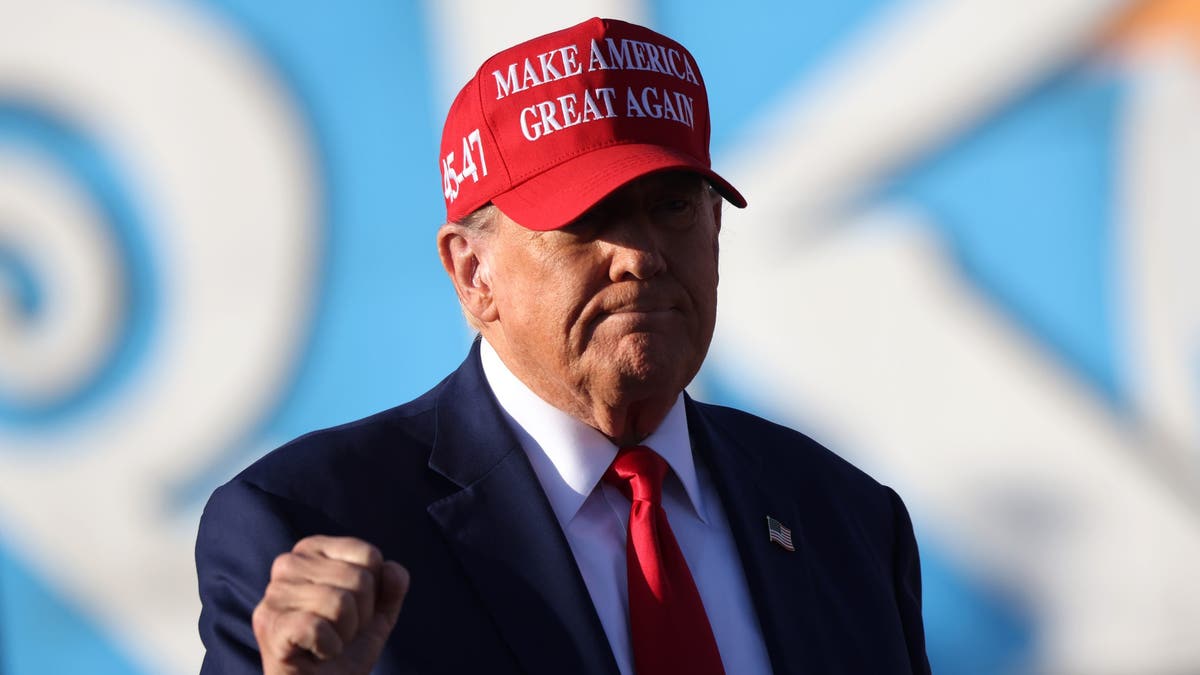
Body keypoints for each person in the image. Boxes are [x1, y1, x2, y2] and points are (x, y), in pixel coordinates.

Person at [196, 16, 930, 675]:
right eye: (587, 218)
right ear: (472, 271)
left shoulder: (848, 519)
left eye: (672, 206)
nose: (639, 256)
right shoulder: (308, 527)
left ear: (714, 229)